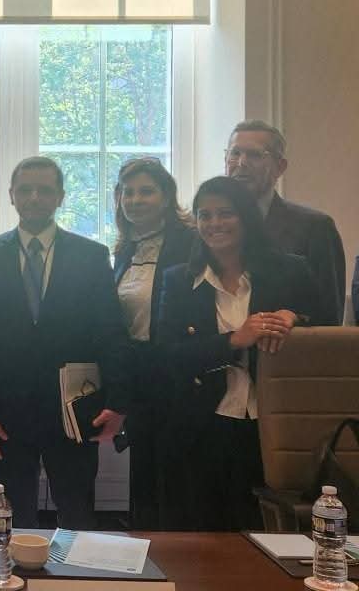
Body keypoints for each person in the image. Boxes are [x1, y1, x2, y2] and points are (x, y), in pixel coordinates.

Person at [0, 156, 130, 530]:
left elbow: (111, 333)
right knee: (13, 517)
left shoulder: (91, 255)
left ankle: (75, 571)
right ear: (11, 195)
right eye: (25, 190)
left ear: (60, 197)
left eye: (44, 190)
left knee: (78, 513)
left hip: (75, 407)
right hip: (6, 412)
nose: (34, 197)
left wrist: (118, 402)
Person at [155, 176, 328, 531]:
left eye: (225, 213)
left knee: (269, 531)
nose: (214, 223)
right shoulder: (178, 280)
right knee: (206, 532)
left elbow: (328, 331)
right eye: (204, 215)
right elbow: (167, 356)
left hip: (275, 424)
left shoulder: (291, 271)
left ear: (246, 217)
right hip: (203, 423)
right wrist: (234, 340)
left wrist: (295, 318)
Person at [110, 158, 197, 530]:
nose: (135, 200)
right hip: (138, 376)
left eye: (146, 191)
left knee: (175, 477)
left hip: (178, 377)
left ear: (166, 196)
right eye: (128, 192)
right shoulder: (124, 250)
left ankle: (173, 551)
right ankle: (144, 546)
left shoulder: (191, 244)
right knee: (142, 472)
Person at [225, 119, 345, 324]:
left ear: (280, 167)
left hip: (287, 343)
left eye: (254, 155)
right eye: (235, 153)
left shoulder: (315, 228)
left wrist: (294, 319)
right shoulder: (208, 228)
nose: (241, 163)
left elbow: (328, 316)